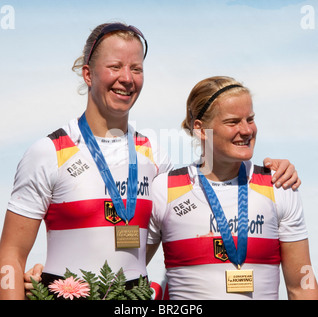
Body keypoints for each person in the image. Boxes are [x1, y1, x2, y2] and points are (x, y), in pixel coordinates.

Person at [0, 22, 300, 300]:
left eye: (136, 68)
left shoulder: (156, 154)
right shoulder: (48, 152)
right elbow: (11, 256)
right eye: (115, 66)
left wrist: (275, 169)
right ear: (88, 73)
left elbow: (210, 190)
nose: (127, 78)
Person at [147, 76, 318, 300]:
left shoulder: (279, 185)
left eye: (250, 119)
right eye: (233, 122)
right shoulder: (164, 188)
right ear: (200, 129)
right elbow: (129, 271)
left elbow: (302, 285)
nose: (246, 130)